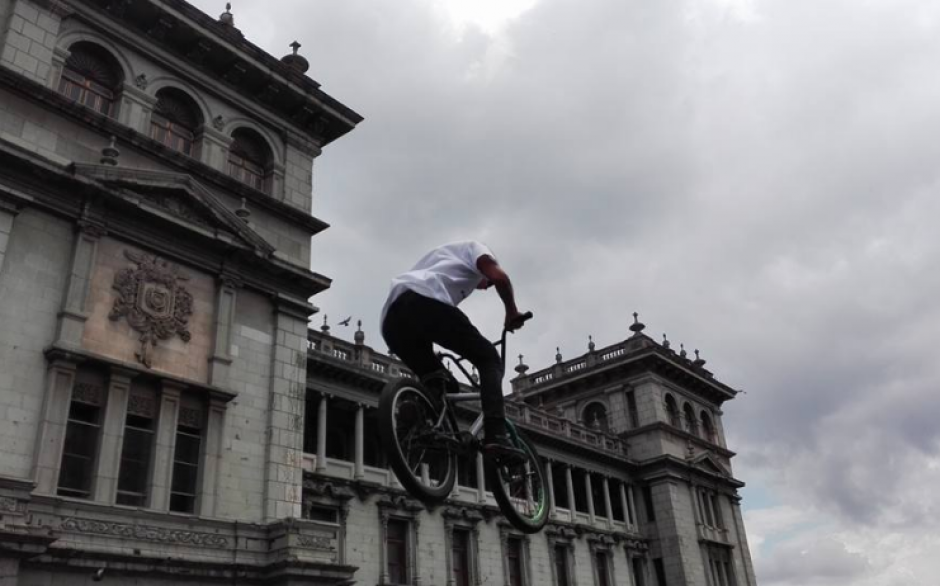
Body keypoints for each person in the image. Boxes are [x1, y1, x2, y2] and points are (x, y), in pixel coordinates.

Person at [381, 241, 529, 458]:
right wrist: (512, 312)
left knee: (440, 381)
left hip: (391, 321)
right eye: (486, 283)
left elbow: (427, 323)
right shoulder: (477, 250)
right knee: (489, 359)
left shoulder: (440, 260)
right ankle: (496, 435)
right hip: (424, 300)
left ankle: (412, 421)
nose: (486, 287)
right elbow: (500, 278)